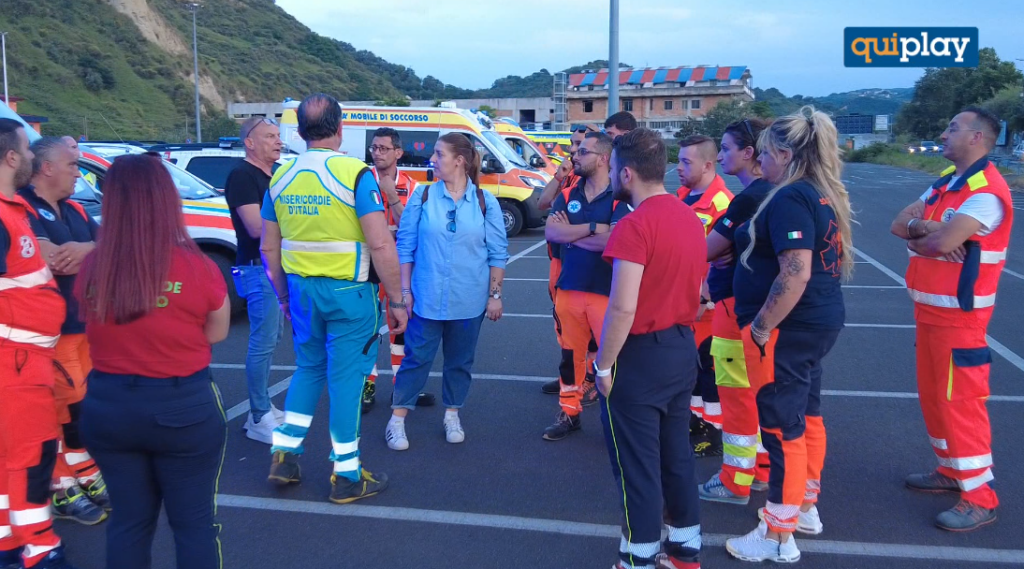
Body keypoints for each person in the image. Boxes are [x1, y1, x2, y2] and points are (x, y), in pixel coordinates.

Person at [77, 154, 230, 569]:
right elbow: (216, 332)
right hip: (183, 408)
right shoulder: (197, 266)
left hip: (108, 407)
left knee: (128, 522)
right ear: (166, 200)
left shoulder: (94, 265)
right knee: (195, 525)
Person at [261, 94, 407, 503]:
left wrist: (284, 296)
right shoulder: (355, 174)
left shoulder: (281, 175)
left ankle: (284, 456)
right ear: (340, 129)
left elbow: (269, 248)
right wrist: (397, 300)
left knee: (308, 370)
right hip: (349, 293)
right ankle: (346, 474)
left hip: (302, 291)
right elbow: (380, 244)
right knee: (346, 380)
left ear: (302, 132)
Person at [725, 107, 852, 563]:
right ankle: (804, 507)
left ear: (782, 153)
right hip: (815, 323)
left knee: (781, 429)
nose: (761, 163)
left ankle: (778, 534)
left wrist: (760, 326)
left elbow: (794, 272)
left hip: (788, 328)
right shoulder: (819, 192)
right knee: (806, 416)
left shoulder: (790, 197)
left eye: (764, 154)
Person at [890, 106, 1011, 532]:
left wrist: (930, 236)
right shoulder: (946, 185)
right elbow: (898, 224)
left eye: (952, 127)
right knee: (934, 398)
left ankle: (981, 497)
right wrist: (929, 230)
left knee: (961, 406)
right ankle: (951, 471)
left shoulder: (986, 192)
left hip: (961, 318)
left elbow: (942, 242)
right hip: (930, 312)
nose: (943, 132)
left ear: (977, 138)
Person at [595, 128, 707, 569]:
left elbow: (623, 308)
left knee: (636, 467)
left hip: (640, 357)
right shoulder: (689, 218)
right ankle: (685, 551)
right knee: (676, 455)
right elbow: (696, 291)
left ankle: (638, 558)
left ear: (626, 172)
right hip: (681, 348)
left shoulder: (634, 225)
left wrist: (603, 366)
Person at [385, 133, 509, 450]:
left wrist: (495, 296)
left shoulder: (485, 201)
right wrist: (404, 292)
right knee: (415, 359)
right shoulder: (423, 197)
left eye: (439, 154)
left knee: (459, 362)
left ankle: (452, 413)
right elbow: (406, 248)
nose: (432, 160)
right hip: (426, 298)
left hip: (469, 301)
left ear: (460, 161)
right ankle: (397, 420)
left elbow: (497, 253)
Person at [18, 138, 109, 526]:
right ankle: (59, 484)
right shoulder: (21, 207)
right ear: (46, 167)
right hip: (43, 331)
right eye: (72, 164)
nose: (78, 171)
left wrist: (85, 249)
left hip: (81, 324)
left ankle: (84, 471)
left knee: (79, 405)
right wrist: (82, 250)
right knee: (57, 408)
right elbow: (51, 257)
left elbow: (108, 245)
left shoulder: (73, 208)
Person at [0, 119, 78, 569]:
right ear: (11, 157)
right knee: (32, 457)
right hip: (17, 360)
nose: (32, 157)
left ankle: (10, 542)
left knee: (12, 454)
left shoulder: (11, 209)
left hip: (25, 355)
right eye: (27, 151)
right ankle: (42, 547)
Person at [697, 119, 775, 505]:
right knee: (757, 393)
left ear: (750, 153)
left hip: (733, 306)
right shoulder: (776, 192)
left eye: (726, 148)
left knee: (736, 395)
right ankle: (759, 470)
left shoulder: (748, 198)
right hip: (754, 307)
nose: (722, 155)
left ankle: (734, 480)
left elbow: (707, 249)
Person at [542, 132, 629, 441]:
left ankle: (619, 420)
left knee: (613, 359)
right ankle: (569, 412)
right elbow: (552, 233)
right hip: (570, 289)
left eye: (583, 151)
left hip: (607, 292)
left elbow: (617, 240)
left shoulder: (621, 196)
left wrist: (573, 233)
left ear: (603, 158)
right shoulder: (567, 194)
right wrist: (594, 228)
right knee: (570, 357)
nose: (575, 155)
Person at [362, 127, 433, 413]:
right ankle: (366, 386)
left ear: (398, 153)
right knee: (366, 328)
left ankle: (401, 389)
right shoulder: (361, 181)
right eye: (374, 148)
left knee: (400, 328)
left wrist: (392, 196)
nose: (377, 153)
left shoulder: (413, 187)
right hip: (367, 265)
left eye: (383, 148)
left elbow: (415, 228)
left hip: (398, 267)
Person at [225, 116, 285, 444]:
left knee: (273, 339)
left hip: (275, 269)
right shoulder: (242, 175)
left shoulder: (275, 174)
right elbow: (256, 227)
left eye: (278, 135)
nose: (278, 141)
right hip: (255, 268)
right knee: (261, 343)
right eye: (269, 136)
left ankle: (261, 408)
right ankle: (259, 414)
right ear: (249, 141)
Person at [675, 135, 734, 457]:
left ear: (708, 165)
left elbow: (724, 259)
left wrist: (705, 299)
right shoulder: (683, 195)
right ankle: (695, 422)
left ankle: (713, 434)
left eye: (686, 162)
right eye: (679, 160)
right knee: (692, 371)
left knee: (710, 373)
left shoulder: (722, 203)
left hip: (708, 311)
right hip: (683, 306)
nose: (679, 167)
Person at [537, 125, 590, 398]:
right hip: (557, 260)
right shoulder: (569, 178)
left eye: (579, 145)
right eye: (572, 144)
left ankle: (587, 380)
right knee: (563, 324)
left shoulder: (594, 184)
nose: (572, 150)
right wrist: (559, 177)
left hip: (579, 264)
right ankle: (567, 378)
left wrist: (568, 229)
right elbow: (543, 204)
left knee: (585, 329)